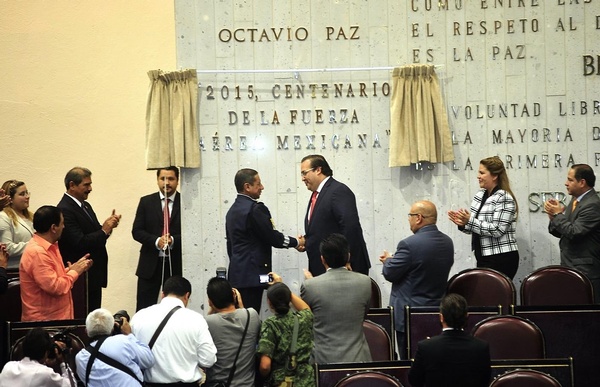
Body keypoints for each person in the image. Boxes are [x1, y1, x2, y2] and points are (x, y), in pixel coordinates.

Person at [380, 200, 454, 359]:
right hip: (436, 313)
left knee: (410, 364)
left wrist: (387, 261)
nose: (409, 219)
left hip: (409, 317)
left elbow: (390, 273)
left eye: (410, 216)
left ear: (419, 218)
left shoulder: (408, 244)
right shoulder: (448, 242)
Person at [225, 168, 304, 312]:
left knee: (242, 318)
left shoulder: (232, 211)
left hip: (237, 275)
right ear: (247, 187)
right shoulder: (255, 209)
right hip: (254, 276)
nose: (262, 187)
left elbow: (230, 246)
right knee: (252, 318)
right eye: (258, 184)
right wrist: (297, 242)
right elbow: (273, 237)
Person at [130, 275, 217, 386]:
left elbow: (133, 355)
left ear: (162, 294)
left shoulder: (139, 316)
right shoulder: (195, 319)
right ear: (187, 296)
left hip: (149, 384)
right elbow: (208, 360)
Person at [301, 233, 372, 363]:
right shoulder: (366, 282)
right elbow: (363, 314)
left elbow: (305, 321)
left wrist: (312, 283)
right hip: (359, 362)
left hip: (322, 363)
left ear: (322, 259)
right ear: (348, 256)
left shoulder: (310, 286)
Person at [57, 167, 121, 311]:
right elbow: (79, 242)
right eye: (86, 185)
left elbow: (97, 234)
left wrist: (108, 228)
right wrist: (104, 230)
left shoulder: (85, 205)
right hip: (81, 277)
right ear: (72, 185)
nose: (90, 188)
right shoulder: (65, 209)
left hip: (93, 275)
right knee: (83, 316)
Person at [448, 156, 520, 279]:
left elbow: (498, 230)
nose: (478, 176)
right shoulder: (480, 195)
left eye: (482, 173)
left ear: (494, 176)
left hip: (501, 258)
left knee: (496, 296)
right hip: (483, 256)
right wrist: (462, 223)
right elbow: (475, 228)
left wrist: (469, 221)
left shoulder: (504, 197)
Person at [300, 154, 370, 276]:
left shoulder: (338, 191)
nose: (302, 178)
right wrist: (307, 241)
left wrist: (347, 260)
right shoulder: (317, 194)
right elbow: (324, 229)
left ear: (318, 170)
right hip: (325, 269)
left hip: (342, 269)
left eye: (304, 173)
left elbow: (350, 228)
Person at [19, 205, 93, 321]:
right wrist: (74, 272)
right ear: (53, 228)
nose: (64, 227)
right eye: (62, 223)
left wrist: (73, 269)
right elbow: (56, 287)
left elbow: (52, 276)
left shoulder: (51, 246)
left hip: (56, 321)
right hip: (45, 325)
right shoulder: (38, 253)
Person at [408, 293, 491, 387]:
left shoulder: (426, 347)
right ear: (466, 317)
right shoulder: (481, 347)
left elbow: (414, 380)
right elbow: (485, 381)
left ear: (441, 317)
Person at [545, 164, 600, 301]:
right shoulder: (575, 200)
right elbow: (563, 232)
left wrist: (558, 215)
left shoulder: (592, 204)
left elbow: (575, 232)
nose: (566, 183)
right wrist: (554, 218)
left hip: (586, 272)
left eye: (570, 180)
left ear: (582, 182)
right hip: (571, 267)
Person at [132, 166, 182, 311]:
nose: (166, 183)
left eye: (171, 179)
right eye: (163, 179)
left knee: (174, 310)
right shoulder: (146, 202)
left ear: (177, 181)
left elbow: (191, 233)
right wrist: (156, 241)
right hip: (149, 266)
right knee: (144, 308)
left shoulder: (185, 202)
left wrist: (173, 240)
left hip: (176, 264)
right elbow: (137, 231)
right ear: (157, 180)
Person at [257, 278, 315, 387]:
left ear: (269, 302)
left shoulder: (270, 324)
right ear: (289, 299)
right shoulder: (304, 318)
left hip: (282, 381)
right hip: (306, 380)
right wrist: (283, 288)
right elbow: (305, 308)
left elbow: (265, 366)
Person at [75, 308, 155, 386]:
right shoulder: (123, 341)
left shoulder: (80, 358)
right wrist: (129, 334)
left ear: (86, 331)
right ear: (113, 328)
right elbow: (149, 360)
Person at [205, 277, 261, 387]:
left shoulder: (207, 322)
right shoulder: (252, 315)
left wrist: (212, 307)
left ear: (210, 302)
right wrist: (240, 304)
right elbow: (247, 321)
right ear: (234, 296)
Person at [0, 327, 75, 387]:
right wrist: (62, 362)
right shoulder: (45, 373)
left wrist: (44, 363)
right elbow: (71, 385)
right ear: (46, 352)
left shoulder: (8, 366)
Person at [0, 180, 34, 270]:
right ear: (10, 199)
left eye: (27, 192)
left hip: (32, 266)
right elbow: (7, 248)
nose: (27, 197)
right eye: (22, 194)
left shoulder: (31, 216)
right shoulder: (4, 217)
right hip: (14, 269)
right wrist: (35, 244)